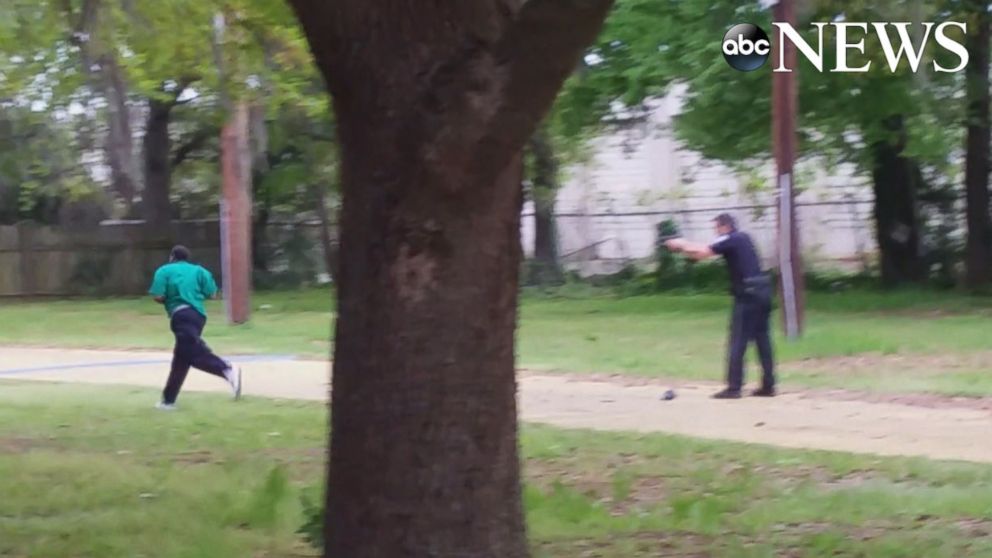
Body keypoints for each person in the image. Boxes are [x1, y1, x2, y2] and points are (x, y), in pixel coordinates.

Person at [664, 214, 776, 399]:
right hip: (763, 291)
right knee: (762, 339)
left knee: (738, 340)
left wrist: (681, 244)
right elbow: (700, 255)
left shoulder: (730, 238)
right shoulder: (744, 238)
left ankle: (734, 387)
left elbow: (705, 250)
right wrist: (683, 250)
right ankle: (768, 385)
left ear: (725, 226)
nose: (715, 232)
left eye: (716, 228)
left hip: (747, 294)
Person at [148, 245, 242, 410]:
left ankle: (225, 368)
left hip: (180, 315)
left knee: (191, 354)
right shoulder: (200, 271)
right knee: (181, 359)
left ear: (172, 257)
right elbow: (212, 294)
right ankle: (168, 401)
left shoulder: (164, 270)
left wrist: (169, 298)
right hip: (198, 316)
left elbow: (158, 296)